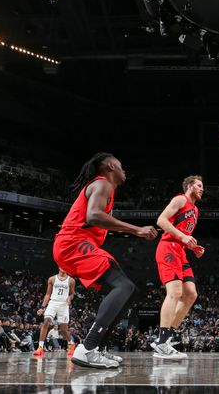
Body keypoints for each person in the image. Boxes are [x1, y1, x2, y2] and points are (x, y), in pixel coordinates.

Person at [53, 153, 158, 368]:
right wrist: (137, 230)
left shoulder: (105, 188)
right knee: (124, 285)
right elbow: (93, 216)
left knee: (130, 291)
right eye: (121, 166)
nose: (124, 170)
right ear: (110, 166)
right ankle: (88, 348)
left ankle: (98, 348)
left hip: (74, 244)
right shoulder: (103, 184)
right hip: (73, 242)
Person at [152, 176, 205, 360]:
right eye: (199, 186)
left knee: (191, 294)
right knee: (174, 292)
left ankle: (166, 339)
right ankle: (161, 341)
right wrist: (183, 237)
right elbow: (161, 220)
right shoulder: (180, 199)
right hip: (168, 247)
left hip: (181, 251)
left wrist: (193, 247)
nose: (202, 189)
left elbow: (184, 235)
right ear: (189, 186)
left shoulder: (196, 210)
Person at [33, 269, 76, 357]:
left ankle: (71, 343)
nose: (63, 267)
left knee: (63, 329)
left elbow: (72, 293)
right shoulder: (52, 279)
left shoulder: (71, 280)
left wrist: (70, 298)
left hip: (63, 304)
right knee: (46, 321)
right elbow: (48, 294)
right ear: (59, 267)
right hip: (53, 302)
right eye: (61, 265)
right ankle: (40, 347)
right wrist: (42, 307)